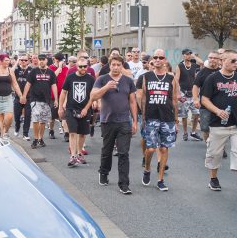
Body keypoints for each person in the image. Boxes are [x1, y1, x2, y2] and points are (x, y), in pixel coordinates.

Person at [201, 49, 237, 197]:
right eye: (232, 60)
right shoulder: (212, 79)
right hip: (218, 124)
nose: (236, 63)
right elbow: (204, 99)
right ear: (222, 61)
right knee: (215, 154)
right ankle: (213, 179)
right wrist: (217, 111)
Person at [83, 54, 138, 194]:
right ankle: (104, 172)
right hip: (108, 121)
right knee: (107, 151)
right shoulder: (102, 79)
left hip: (124, 121)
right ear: (109, 65)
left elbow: (132, 101)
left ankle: (124, 184)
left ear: (122, 66)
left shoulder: (128, 81)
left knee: (123, 153)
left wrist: (135, 121)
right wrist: (106, 87)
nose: (115, 67)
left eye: (118, 65)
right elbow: (93, 96)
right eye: (113, 65)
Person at [140, 49, 178, 191]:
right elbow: (144, 97)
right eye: (155, 57)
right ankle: (147, 169)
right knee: (150, 149)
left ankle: (160, 179)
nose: (157, 59)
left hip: (167, 117)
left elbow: (174, 99)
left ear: (165, 60)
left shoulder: (171, 78)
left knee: (163, 148)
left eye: (160, 57)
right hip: (151, 116)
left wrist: (176, 120)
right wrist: (143, 116)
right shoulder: (147, 76)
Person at [60, 56, 95, 167]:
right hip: (71, 109)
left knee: (82, 134)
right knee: (73, 132)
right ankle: (73, 156)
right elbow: (63, 92)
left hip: (85, 109)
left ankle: (80, 153)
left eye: (85, 66)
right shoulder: (70, 77)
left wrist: (87, 108)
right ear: (76, 67)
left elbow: (93, 95)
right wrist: (61, 107)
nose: (83, 68)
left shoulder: (90, 79)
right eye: (80, 66)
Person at [20, 54, 57, 149]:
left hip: (46, 99)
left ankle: (40, 138)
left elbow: (54, 86)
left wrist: (56, 99)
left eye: (43, 59)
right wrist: (24, 96)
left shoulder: (51, 73)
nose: (41, 61)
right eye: (40, 59)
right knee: (36, 119)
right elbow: (28, 84)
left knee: (43, 121)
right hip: (35, 99)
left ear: (46, 61)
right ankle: (36, 139)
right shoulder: (33, 71)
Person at [192, 51, 223, 146]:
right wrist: (195, 99)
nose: (212, 59)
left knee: (221, 128)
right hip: (205, 105)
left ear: (219, 60)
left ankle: (219, 147)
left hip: (220, 105)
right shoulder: (202, 72)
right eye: (210, 57)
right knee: (205, 128)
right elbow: (195, 86)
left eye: (215, 58)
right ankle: (210, 145)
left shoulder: (222, 72)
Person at [175, 49, 202, 141]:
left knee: (196, 114)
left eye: (190, 54)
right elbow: (176, 80)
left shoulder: (194, 65)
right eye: (187, 54)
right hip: (184, 93)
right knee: (184, 115)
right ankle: (186, 132)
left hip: (193, 93)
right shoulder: (180, 66)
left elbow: (202, 63)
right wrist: (178, 93)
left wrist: (195, 56)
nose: (189, 55)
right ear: (183, 55)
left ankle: (193, 132)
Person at [13, 54, 32, 140]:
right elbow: (10, 72)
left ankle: (25, 133)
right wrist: (17, 62)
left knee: (28, 116)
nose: (23, 62)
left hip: (29, 97)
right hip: (18, 96)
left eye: (25, 60)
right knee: (17, 116)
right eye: (22, 60)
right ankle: (17, 127)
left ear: (28, 61)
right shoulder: (16, 69)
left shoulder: (31, 70)